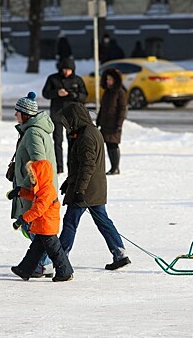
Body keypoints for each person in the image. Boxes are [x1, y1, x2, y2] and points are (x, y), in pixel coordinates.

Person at [57, 102, 131, 270]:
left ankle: (61, 257)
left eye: (68, 120)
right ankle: (120, 253)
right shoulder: (89, 132)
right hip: (94, 187)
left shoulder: (86, 137)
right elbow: (83, 165)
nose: (67, 125)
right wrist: (69, 182)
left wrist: (79, 190)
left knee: (70, 222)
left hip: (86, 189)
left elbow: (88, 166)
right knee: (103, 221)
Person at [9, 91, 58, 278]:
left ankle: (45, 264)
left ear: (25, 114)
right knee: (36, 227)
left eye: (17, 112)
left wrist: (30, 187)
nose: (15, 115)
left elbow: (40, 162)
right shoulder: (33, 131)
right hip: (35, 188)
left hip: (36, 189)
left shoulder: (33, 134)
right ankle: (44, 263)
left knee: (34, 226)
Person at [9, 160, 74, 282]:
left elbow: (38, 209)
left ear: (41, 176)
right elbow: (34, 196)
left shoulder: (47, 191)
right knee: (35, 250)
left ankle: (65, 272)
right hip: (43, 226)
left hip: (47, 227)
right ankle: (24, 269)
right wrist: (20, 192)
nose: (32, 179)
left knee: (55, 252)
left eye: (33, 176)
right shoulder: (43, 188)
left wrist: (22, 220)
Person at [42, 58, 88, 174]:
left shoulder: (77, 80)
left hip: (71, 115)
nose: (66, 72)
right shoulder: (53, 78)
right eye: (64, 69)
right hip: (57, 113)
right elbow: (45, 93)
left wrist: (73, 94)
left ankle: (71, 166)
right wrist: (57, 93)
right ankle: (59, 166)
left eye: (69, 70)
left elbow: (84, 95)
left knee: (72, 141)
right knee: (57, 141)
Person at [96, 68, 127, 175]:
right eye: (107, 79)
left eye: (111, 79)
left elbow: (122, 109)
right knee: (108, 145)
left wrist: (119, 124)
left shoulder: (120, 92)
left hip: (114, 124)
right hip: (105, 123)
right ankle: (113, 167)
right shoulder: (107, 92)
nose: (108, 81)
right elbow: (102, 107)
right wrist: (98, 121)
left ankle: (115, 167)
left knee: (113, 145)